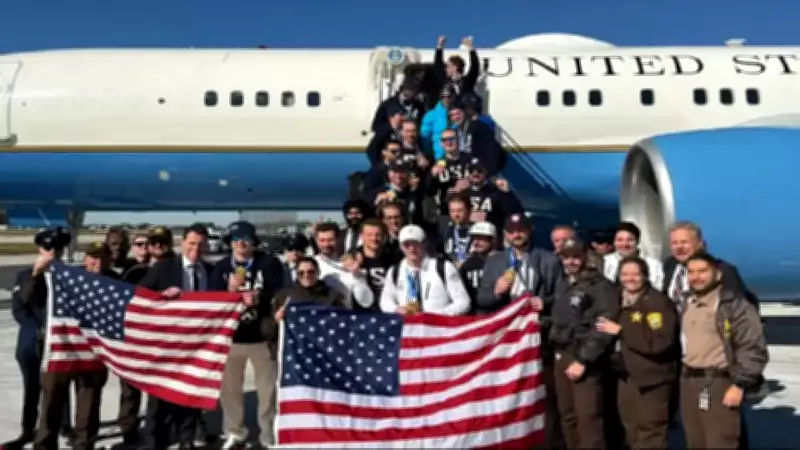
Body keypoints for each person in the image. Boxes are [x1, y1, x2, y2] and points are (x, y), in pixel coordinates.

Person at [679, 252, 768, 449]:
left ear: (718, 275)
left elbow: (753, 347)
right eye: (691, 272)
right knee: (695, 442)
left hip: (720, 382)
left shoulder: (734, 305)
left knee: (721, 441)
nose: (696, 276)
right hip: (689, 382)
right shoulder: (687, 303)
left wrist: (740, 384)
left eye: (703, 271)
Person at [210, 221, 285, 450]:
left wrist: (259, 298)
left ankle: (267, 434)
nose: (241, 244)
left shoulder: (269, 263)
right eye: (235, 240)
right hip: (232, 339)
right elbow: (212, 299)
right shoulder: (222, 267)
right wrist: (230, 293)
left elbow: (280, 291)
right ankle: (235, 433)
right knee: (230, 391)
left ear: (254, 242)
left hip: (262, 337)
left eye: (245, 239)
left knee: (267, 392)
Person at [140, 223, 215, 450]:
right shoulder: (164, 268)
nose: (196, 248)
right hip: (166, 347)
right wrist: (161, 297)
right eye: (192, 243)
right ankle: (156, 443)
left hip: (197, 348)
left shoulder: (211, 272)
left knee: (190, 399)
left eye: (201, 244)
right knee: (159, 403)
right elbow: (140, 296)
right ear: (182, 243)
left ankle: (186, 441)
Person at [33, 242, 113, 450]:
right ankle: (44, 444)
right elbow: (30, 298)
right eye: (93, 257)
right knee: (51, 403)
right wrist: (37, 273)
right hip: (63, 347)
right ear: (85, 258)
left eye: (103, 257)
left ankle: (84, 444)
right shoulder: (68, 277)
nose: (98, 261)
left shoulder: (115, 282)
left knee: (88, 406)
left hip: (94, 354)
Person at [596, 256, 680, 449]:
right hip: (627, 377)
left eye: (635, 274)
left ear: (645, 276)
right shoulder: (619, 299)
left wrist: (622, 332)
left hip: (651, 380)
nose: (629, 278)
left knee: (650, 432)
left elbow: (660, 343)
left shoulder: (656, 303)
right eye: (625, 274)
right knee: (631, 430)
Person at [6, 228, 73, 450]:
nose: (52, 253)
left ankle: (65, 425)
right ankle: (27, 429)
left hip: (57, 342)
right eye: (47, 248)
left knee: (59, 388)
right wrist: (36, 275)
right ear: (39, 249)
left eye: (57, 249)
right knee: (31, 388)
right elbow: (20, 308)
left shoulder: (68, 276)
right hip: (31, 343)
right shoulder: (25, 275)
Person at [549, 238, 619, 450]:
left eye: (575, 257)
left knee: (588, 418)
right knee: (568, 416)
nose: (571, 261)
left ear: (585, 257)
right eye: (566, 257)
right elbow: (565, 321)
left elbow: (602, 327)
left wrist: (583, 360)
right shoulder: (564, 284)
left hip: (585, 360)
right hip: (562, 355)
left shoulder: (601, 287)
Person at [379, 225, 471, 316]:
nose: (412, 248)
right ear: (401, 247)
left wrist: (438, 315)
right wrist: (395, 309)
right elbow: (385, 300)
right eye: (407, 244)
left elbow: (463, 302)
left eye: (416, 243)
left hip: (438, 327)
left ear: (425, 243)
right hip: (408, 326)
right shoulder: (395, 271)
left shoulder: (444, 267)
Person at [602, 221, 664, 290]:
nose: (625, 244)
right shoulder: (604, 261)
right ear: (613, 242)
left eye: (630, 240)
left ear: (637, 241)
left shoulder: (654, 265)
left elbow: (657, 289)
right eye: (620, 240)